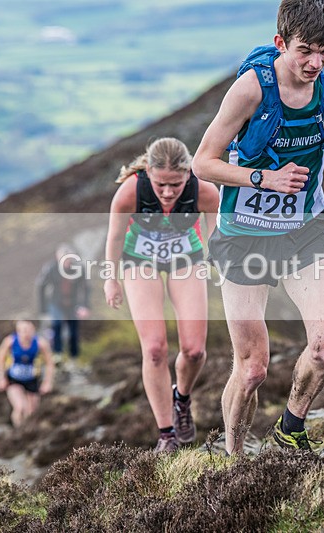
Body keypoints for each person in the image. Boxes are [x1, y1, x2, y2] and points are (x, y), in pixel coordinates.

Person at [192, 0, 324, 454]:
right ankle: (234, 459)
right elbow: (202, 163)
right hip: (243, 234)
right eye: (305, 50)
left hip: (303, 230)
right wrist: (263, 178)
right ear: (280, 43)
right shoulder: (251, 90)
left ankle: (290, 429)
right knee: (251, 369)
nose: (315, 63)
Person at [104, 137, 219, 453]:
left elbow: (217, 238)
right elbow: (114, 238)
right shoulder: (130, 191)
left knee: (194, 350)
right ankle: (166, 434)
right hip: (140, 261)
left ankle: (181, 397)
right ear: (148, 173)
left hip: (186, 259)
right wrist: (110, 280)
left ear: (187, 175)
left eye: (176, 184)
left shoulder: (204, 190)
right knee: (154, 348)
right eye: (160, 185)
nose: (168, 192)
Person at [0, 319, 55, 427]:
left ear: (33, 330)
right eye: (21, 330)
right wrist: (1, 378)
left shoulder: (41, 343)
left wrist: (47, 382)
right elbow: (0, 359)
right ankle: (17, 430)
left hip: (32, 379)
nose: (25, 333)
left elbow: (50, 363)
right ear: (17, 331)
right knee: (20, 407)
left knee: (31, 412)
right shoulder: (10, 341)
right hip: (14, 379)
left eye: (27, 330)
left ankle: (27, 433)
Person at [36, 244, 91, 364]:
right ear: (58, 258)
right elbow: (40, 286)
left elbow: (86, 287)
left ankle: (74, 357)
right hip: (55, 302)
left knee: (73, 330)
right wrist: (43, 309)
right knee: (57, 327)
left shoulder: (78, 268)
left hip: (73, 303)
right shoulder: (51, 268)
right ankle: (57, 355)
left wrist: (85, 306)